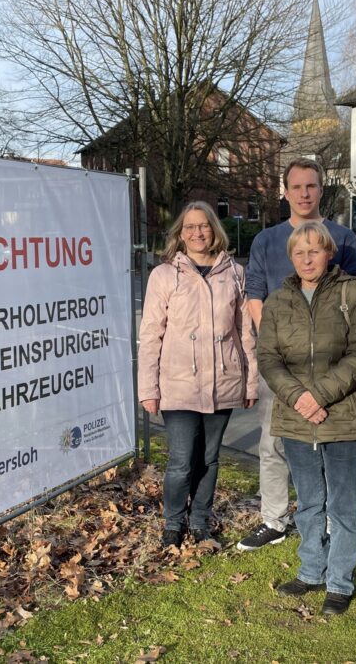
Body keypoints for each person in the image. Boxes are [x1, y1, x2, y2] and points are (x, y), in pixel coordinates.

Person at [237, 157, 356, 552]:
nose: (304, 193)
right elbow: (254, 295)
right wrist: (277, 345)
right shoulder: (266, 240)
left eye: (311, 186)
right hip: (280, 362)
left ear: (321, 189)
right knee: (273, 442)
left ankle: (327, 518)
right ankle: (274, 520)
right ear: (286, 191)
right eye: (297, 187)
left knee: (328, 442)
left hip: (330, 364)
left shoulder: (343, 238)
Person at [257, 221, 356, 615]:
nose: (307, 259)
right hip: (296, 417)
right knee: (309, 502)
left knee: (343, 504)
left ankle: (339, 582)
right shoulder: (278, 301)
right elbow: (268, 358)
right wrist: (299, 398)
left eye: (314, 251)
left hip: (343, 415)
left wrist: (319, 396)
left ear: (329, 253)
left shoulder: (353, 292)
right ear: (291, 257)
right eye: (299, 252)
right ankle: (311, 571)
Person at [138, 201, 258, 548]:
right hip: (178, 385)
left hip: (223, 382)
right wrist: (148, 388)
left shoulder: (234, 273)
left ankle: (200, 521)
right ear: (180, 233)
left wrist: (251, 382)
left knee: (209, 459)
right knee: (181, 461)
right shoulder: (164, 275)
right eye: (189, 227)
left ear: (214, 229)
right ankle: (173, 523)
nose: (197, 233)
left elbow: (245, 332)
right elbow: (151, 334)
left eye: (203, 225)